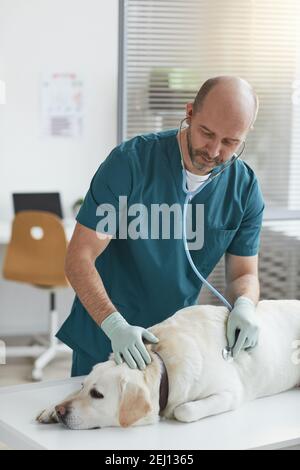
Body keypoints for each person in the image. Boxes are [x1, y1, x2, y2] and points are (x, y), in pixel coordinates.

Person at [57, 76, 265, 376]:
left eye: (230, 142)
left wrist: (245, 305)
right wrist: (115, 326)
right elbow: (79, 258)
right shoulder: (131, 164)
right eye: (207, 133)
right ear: (190, 113)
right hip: (107, 336)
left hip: (172, 343)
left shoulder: (243, 188)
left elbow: (244, 274)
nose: (215, 150)